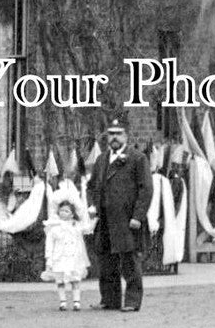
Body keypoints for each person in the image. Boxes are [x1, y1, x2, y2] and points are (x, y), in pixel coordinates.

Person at [87, 117, 152, 312]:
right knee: (106, 261)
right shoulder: (101, 160)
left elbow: (146, 189)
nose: (114, 138)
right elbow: (92, 186)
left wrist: (137, 217)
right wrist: (93, 206)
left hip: (127, 220)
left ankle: (132, 301)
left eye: (118, 134)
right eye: (111, 134)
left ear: (126, 136)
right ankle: (109, 299)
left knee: (129, 261)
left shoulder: (137, 158)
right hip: (105, 220)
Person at [40, 195, 92, 311]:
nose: (63, 213)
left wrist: (91, 217)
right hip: (60, 257)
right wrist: (49, 258)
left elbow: (87, 228)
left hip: (73, 257)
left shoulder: (76, 226)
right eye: (62, 210)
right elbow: (49, 243)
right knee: (60, 280)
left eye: (66, 211)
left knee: (75, 279)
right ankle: (62, 301)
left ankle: (76, 301)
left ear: (72, 214)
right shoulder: (53, 227)